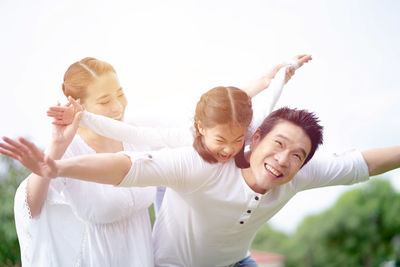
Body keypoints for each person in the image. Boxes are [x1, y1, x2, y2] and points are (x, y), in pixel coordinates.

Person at [2, 55, 311, 267]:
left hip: (141, 257)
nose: (117, 107)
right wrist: (55, 148)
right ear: (77, 104)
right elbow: (34, 207)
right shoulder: (68, 148)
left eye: (120, 94)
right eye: (105, 101)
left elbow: (209, 117)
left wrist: (266, 81)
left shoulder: (136, 128)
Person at [3, 107, 400, 266]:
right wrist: (59, 166)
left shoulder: (298, 175)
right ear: (255, 138)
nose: (284, 160)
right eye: (278, 145)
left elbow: (364, 163)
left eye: (298, 155)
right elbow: (125, 167)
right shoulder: (200, 163)